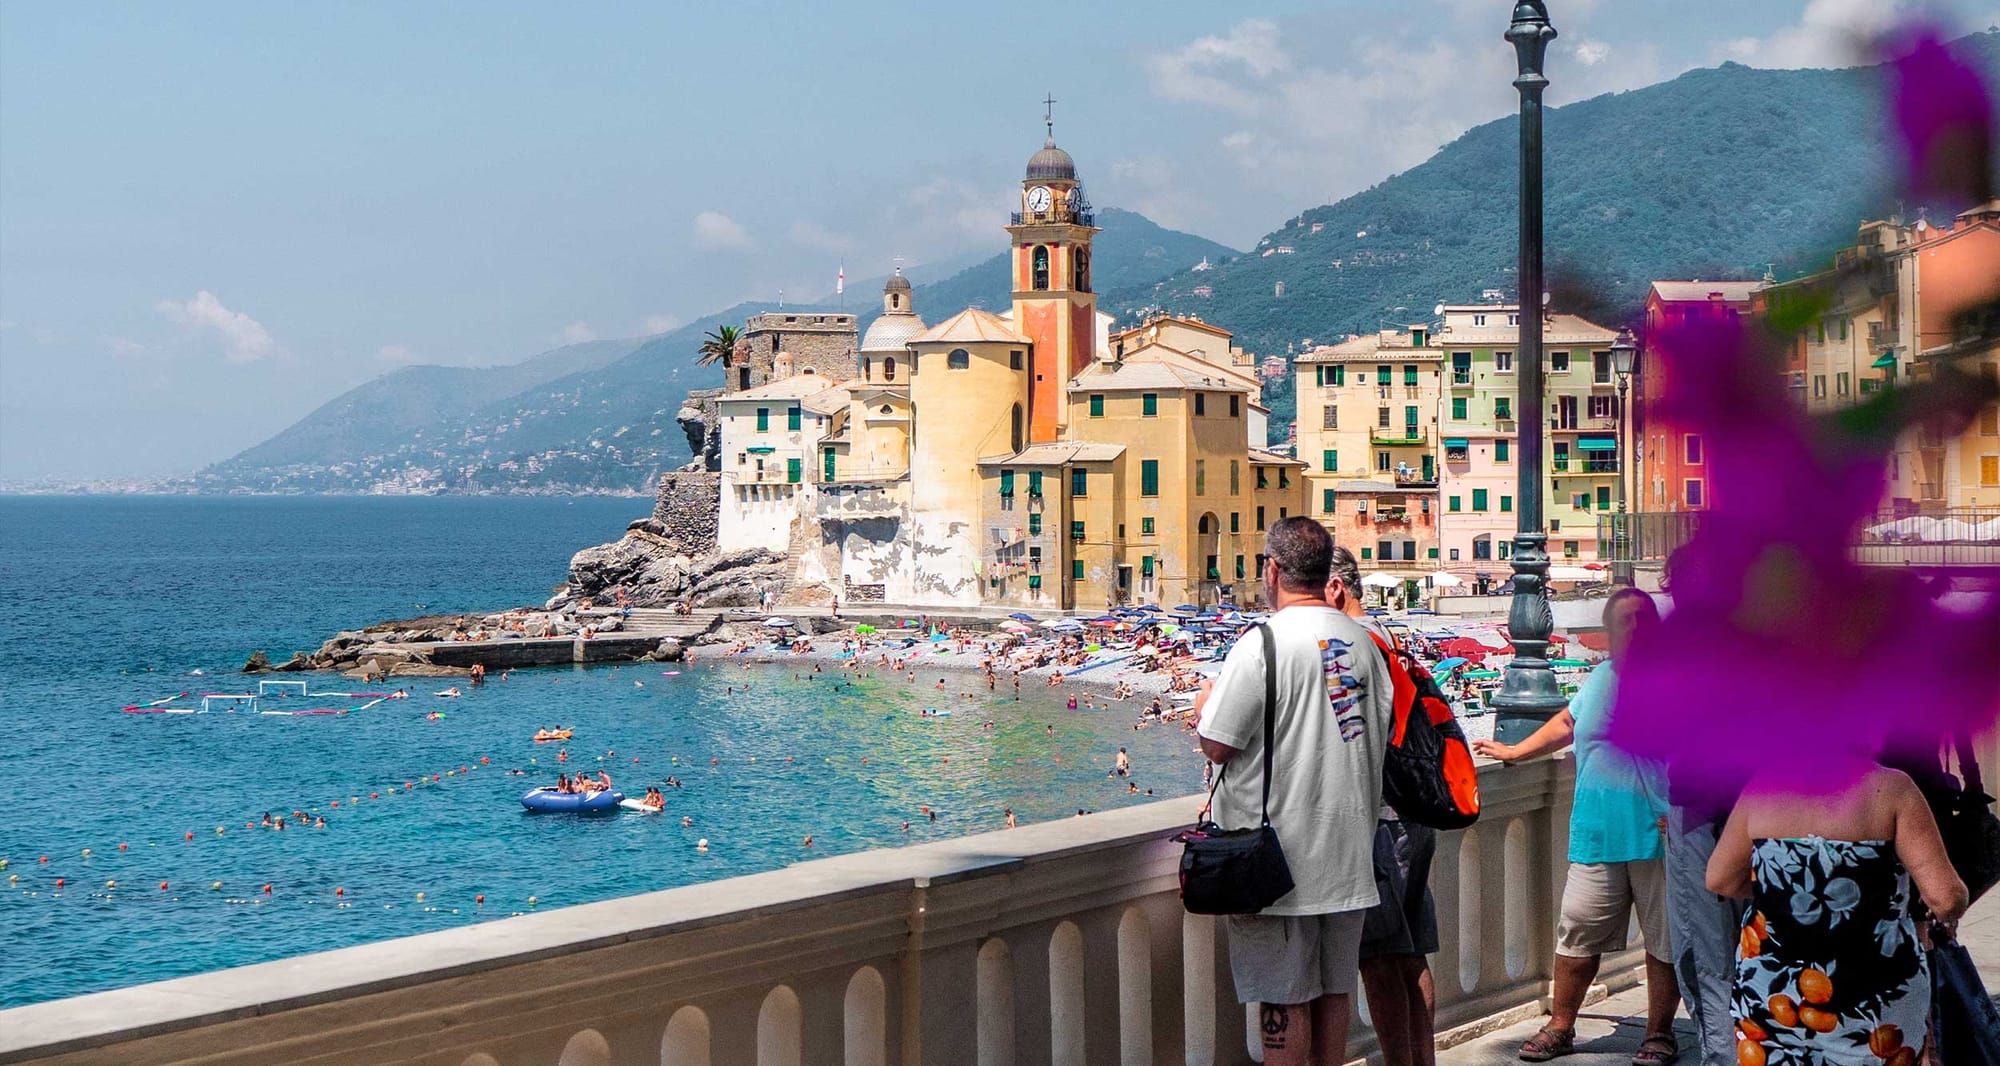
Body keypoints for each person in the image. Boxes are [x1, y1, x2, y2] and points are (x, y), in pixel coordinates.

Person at [1196, 517, 1394, 1066]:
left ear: (1273, 570)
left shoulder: (1262, 643)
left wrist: (1202, 704)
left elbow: (1217, 743)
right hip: (1349, 853)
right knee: (1334, 993)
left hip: (1277, 863)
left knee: (1283, 999)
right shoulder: (1365, 643)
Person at [1473, 588, 1681, 1065]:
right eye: (1623, 622)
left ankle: (1659, 1034)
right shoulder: (1600, 677)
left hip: (1661, 833)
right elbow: (1567, 722)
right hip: (1596, 831)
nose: (1633, 630)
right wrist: (1514, 751)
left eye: (1641, 621)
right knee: (1576, 934)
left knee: (1664, 941)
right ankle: (1562, 1025)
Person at [1706, 757, 1966, 1065]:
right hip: (1874, 999)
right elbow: (1946, 898)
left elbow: (1720, 878)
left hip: (1772, 997)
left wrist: (1792, 894)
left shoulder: (1763, 787)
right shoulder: (1894, 789)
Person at [1326, 545, 1438, 1066]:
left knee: (1379, 958)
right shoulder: (1389, 635)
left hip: (1383, 818)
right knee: (1409, 951)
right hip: (1413, 811)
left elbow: (1348, 733)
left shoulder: (1350, 646)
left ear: (1335, 589)